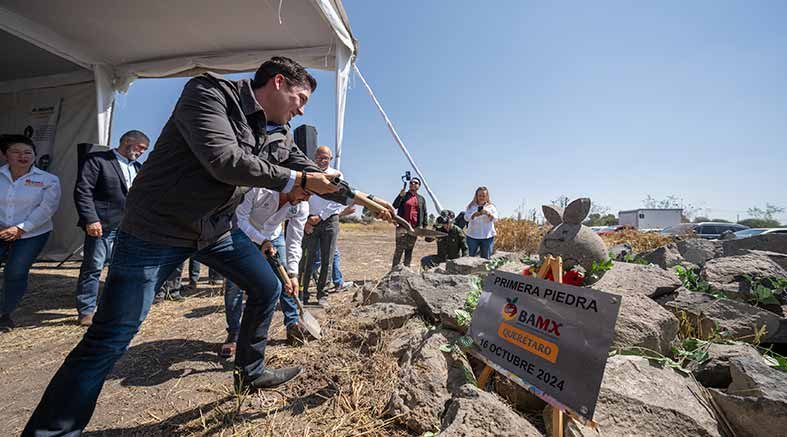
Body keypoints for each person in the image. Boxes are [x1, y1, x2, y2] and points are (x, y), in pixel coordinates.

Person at [24, 57, 392, 435]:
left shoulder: (277, 133)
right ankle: (51, 431)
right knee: (112, 335)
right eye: (300, 98)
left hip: (214, 230)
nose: (301, 110)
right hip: (156, 228)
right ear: (278, 82)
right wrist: (300, 179)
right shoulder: (209, 93)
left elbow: (315, 174)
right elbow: (224, 161)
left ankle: (250, 372)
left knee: (267, 287)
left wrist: (366, 198)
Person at [73, 130, 149, 326]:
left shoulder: (138, 168)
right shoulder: (98, 160)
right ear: (127, 142)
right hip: (102, 225)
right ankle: (86, 310)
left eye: (144, 150)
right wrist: (91, 219)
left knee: (120, 269)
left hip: (128, 228)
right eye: (140, 148)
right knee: (93, 267)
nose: (142, 152)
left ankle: (111, 307)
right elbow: (83, 191)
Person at [223, 185, 310, 356]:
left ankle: (292, 324)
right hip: (242, 234)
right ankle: (234, 333)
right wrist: (261, 241)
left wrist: (293, 273)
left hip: (274, 236)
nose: (307, 199)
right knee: (234, 286)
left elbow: (294, 238)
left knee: (285, 281)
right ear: (294, 184)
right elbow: (240, 219)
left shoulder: (301, 205)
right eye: (305, 193)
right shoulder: (258, 188)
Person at [0, 135, 61, 331]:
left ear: (35, 156)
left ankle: (4, 314)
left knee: (15, 271)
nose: (23, 156)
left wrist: (20, 228)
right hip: (0, 229)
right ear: (4, 155)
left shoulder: (48, 180)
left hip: (32, 233)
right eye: (16, 152)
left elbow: (46, 209)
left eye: (28, 152)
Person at [301, 146, 346, 307]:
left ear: (331, 159)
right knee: (306, 259)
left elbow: (338, 201)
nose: (322, 160)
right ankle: (302, 293)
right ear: (315, 157)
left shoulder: (337, 175)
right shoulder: (308, 174)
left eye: (326, 157)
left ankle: (322, 295)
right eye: (319, 157)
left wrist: (320, 216)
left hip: (329, 221)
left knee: (327, 259)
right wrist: (308, 220)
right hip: (309, 222)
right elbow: (302, 197)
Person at [391, 177, 427, 268]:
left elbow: (425, 213)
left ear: (419, 186)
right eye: (411, 182)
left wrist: (424, 227)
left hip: (414, 228)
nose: (413, 184)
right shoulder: (404, 195)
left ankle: (406, 270)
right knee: (399, 250)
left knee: (409, 250)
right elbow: (394, 206)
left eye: (415, 183)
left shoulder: (421, 199)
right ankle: (393, 272)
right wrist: (400, 196)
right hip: (402, 227)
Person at [464, 186, 498, 259]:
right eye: (480, 195)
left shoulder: (491, 207)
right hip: (472, 236)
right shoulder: (471, 206)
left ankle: (484, 271)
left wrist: (488, 213)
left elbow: (495, 219)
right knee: (470, 258)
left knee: (486, 259)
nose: (481, 197)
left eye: (483, 195)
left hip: (487, 236)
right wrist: (474, 215)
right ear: (476, 196)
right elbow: (466, 218)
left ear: (487, 196)